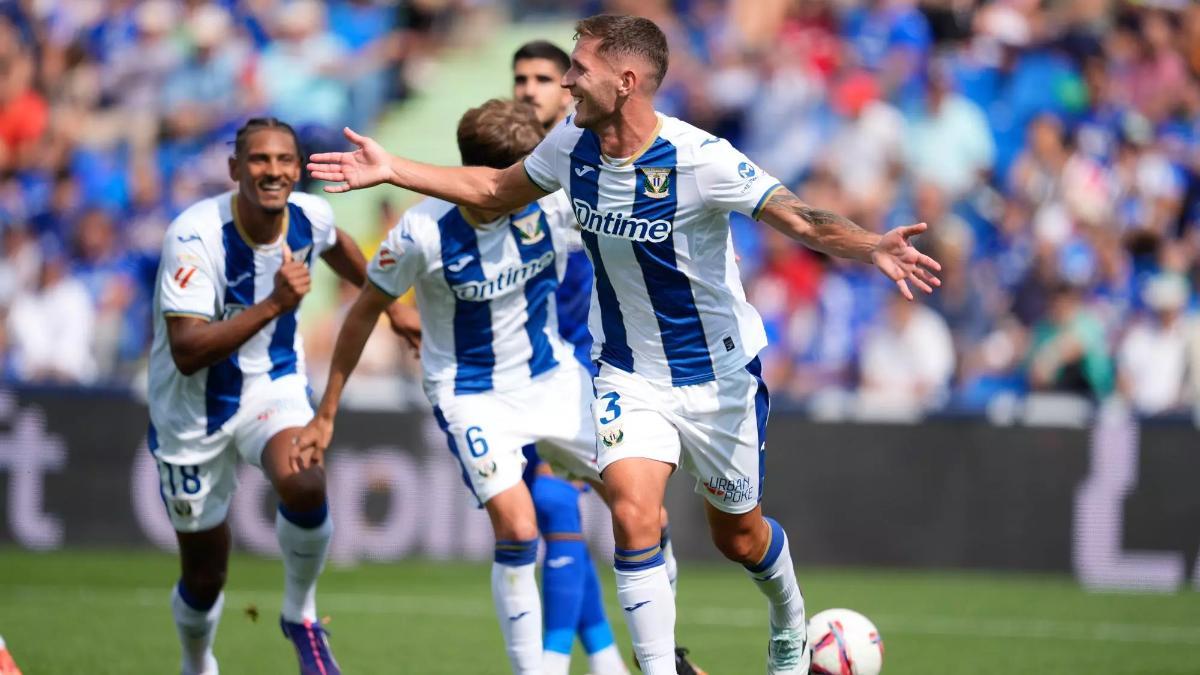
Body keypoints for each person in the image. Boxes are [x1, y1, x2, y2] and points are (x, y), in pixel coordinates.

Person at [307, 15, 941, 674]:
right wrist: (392, 168)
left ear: (626, 81)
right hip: (628, 376)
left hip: (718, 376)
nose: (567, 80)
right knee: (633, 517)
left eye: (579, 69)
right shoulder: (568, 148)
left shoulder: (701, 158)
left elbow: (802, 218)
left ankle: (788, 617)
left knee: (740, 536)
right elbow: (495, 188)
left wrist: (872, 246)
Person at [299, 99, 615, 674]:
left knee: (643, 506)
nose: (531, 183)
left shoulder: (553, 208)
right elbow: (363, 312)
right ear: (487, 178)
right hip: (470, 395)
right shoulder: (421, 233)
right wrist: (327, 410)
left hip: (551, 379)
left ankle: (651, 659)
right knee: (520, 527)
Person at [147, 117, 405, 675]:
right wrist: (273, 305)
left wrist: (393, 307)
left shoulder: (310, 215)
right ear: (236, 170)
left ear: (296, 169)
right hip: (192, 411)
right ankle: (197, 663)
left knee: (305, 482)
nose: (274, 171)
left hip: (272, 385)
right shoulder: (195, 238)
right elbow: (187, 350)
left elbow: (336, 247)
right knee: (205, 573)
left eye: (284, 160)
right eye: (260, 160)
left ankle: (300, 615)